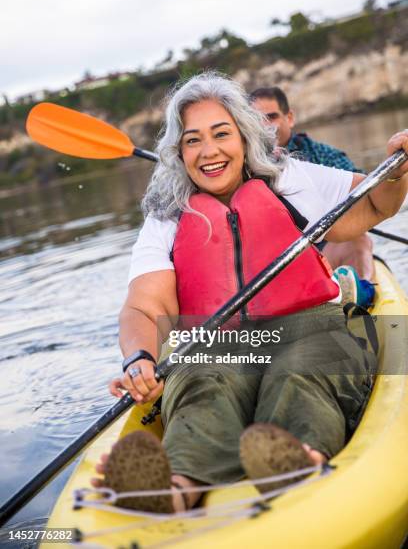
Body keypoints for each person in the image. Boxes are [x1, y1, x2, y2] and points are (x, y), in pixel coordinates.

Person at [92, 73, 408, 513]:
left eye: (221, 134)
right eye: (193, 141)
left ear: (243, 135)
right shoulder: (167, 215)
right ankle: (175, 488)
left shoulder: (291, 179)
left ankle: (299, 460)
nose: (209, 152)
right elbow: (144, 308)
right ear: (179, 152)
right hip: (218, 346)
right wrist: (139, 359)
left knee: (299, 373)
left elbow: (375, 205)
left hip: (308, 330)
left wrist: (398, 170)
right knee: (204, 383)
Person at [249, 86, 375, 305]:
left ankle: (361, 299)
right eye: (256, 120)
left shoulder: (321, 155)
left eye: (271, 117)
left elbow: (368, 196)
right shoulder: (241, 165)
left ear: (289, 118)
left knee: (358, 238)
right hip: (277, 264)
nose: (265, 127)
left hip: (326, 249)